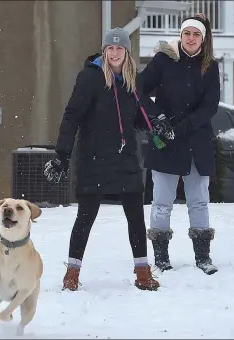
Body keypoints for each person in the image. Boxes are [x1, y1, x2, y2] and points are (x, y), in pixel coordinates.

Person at [43, 27, 165, 291]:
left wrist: (157, 124)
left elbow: (139, 115)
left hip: (126, 159)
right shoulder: (90, 78)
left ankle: (143, 272)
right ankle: (72, 274)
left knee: (136, 218)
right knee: (85, 218)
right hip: (94, 159)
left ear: (126, 52)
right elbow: (72, 115)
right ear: (104, 51)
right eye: (110, 48)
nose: (115, 53)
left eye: (119, 48)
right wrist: (62, 155)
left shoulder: (132, 81)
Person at [139, 14, 220, 275]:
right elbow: (138, 90)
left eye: (196, 34)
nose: (191, 38)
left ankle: (203, 257)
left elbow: (210, 106)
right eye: (187, 33)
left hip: (196, 141)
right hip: (166, 142)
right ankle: (161, 257)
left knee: (199, 201)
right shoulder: (164, 60)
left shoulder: (210, 66)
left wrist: (185, 124)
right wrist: (156, 119)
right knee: (162, 202)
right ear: (181, 35)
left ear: (203, 39)